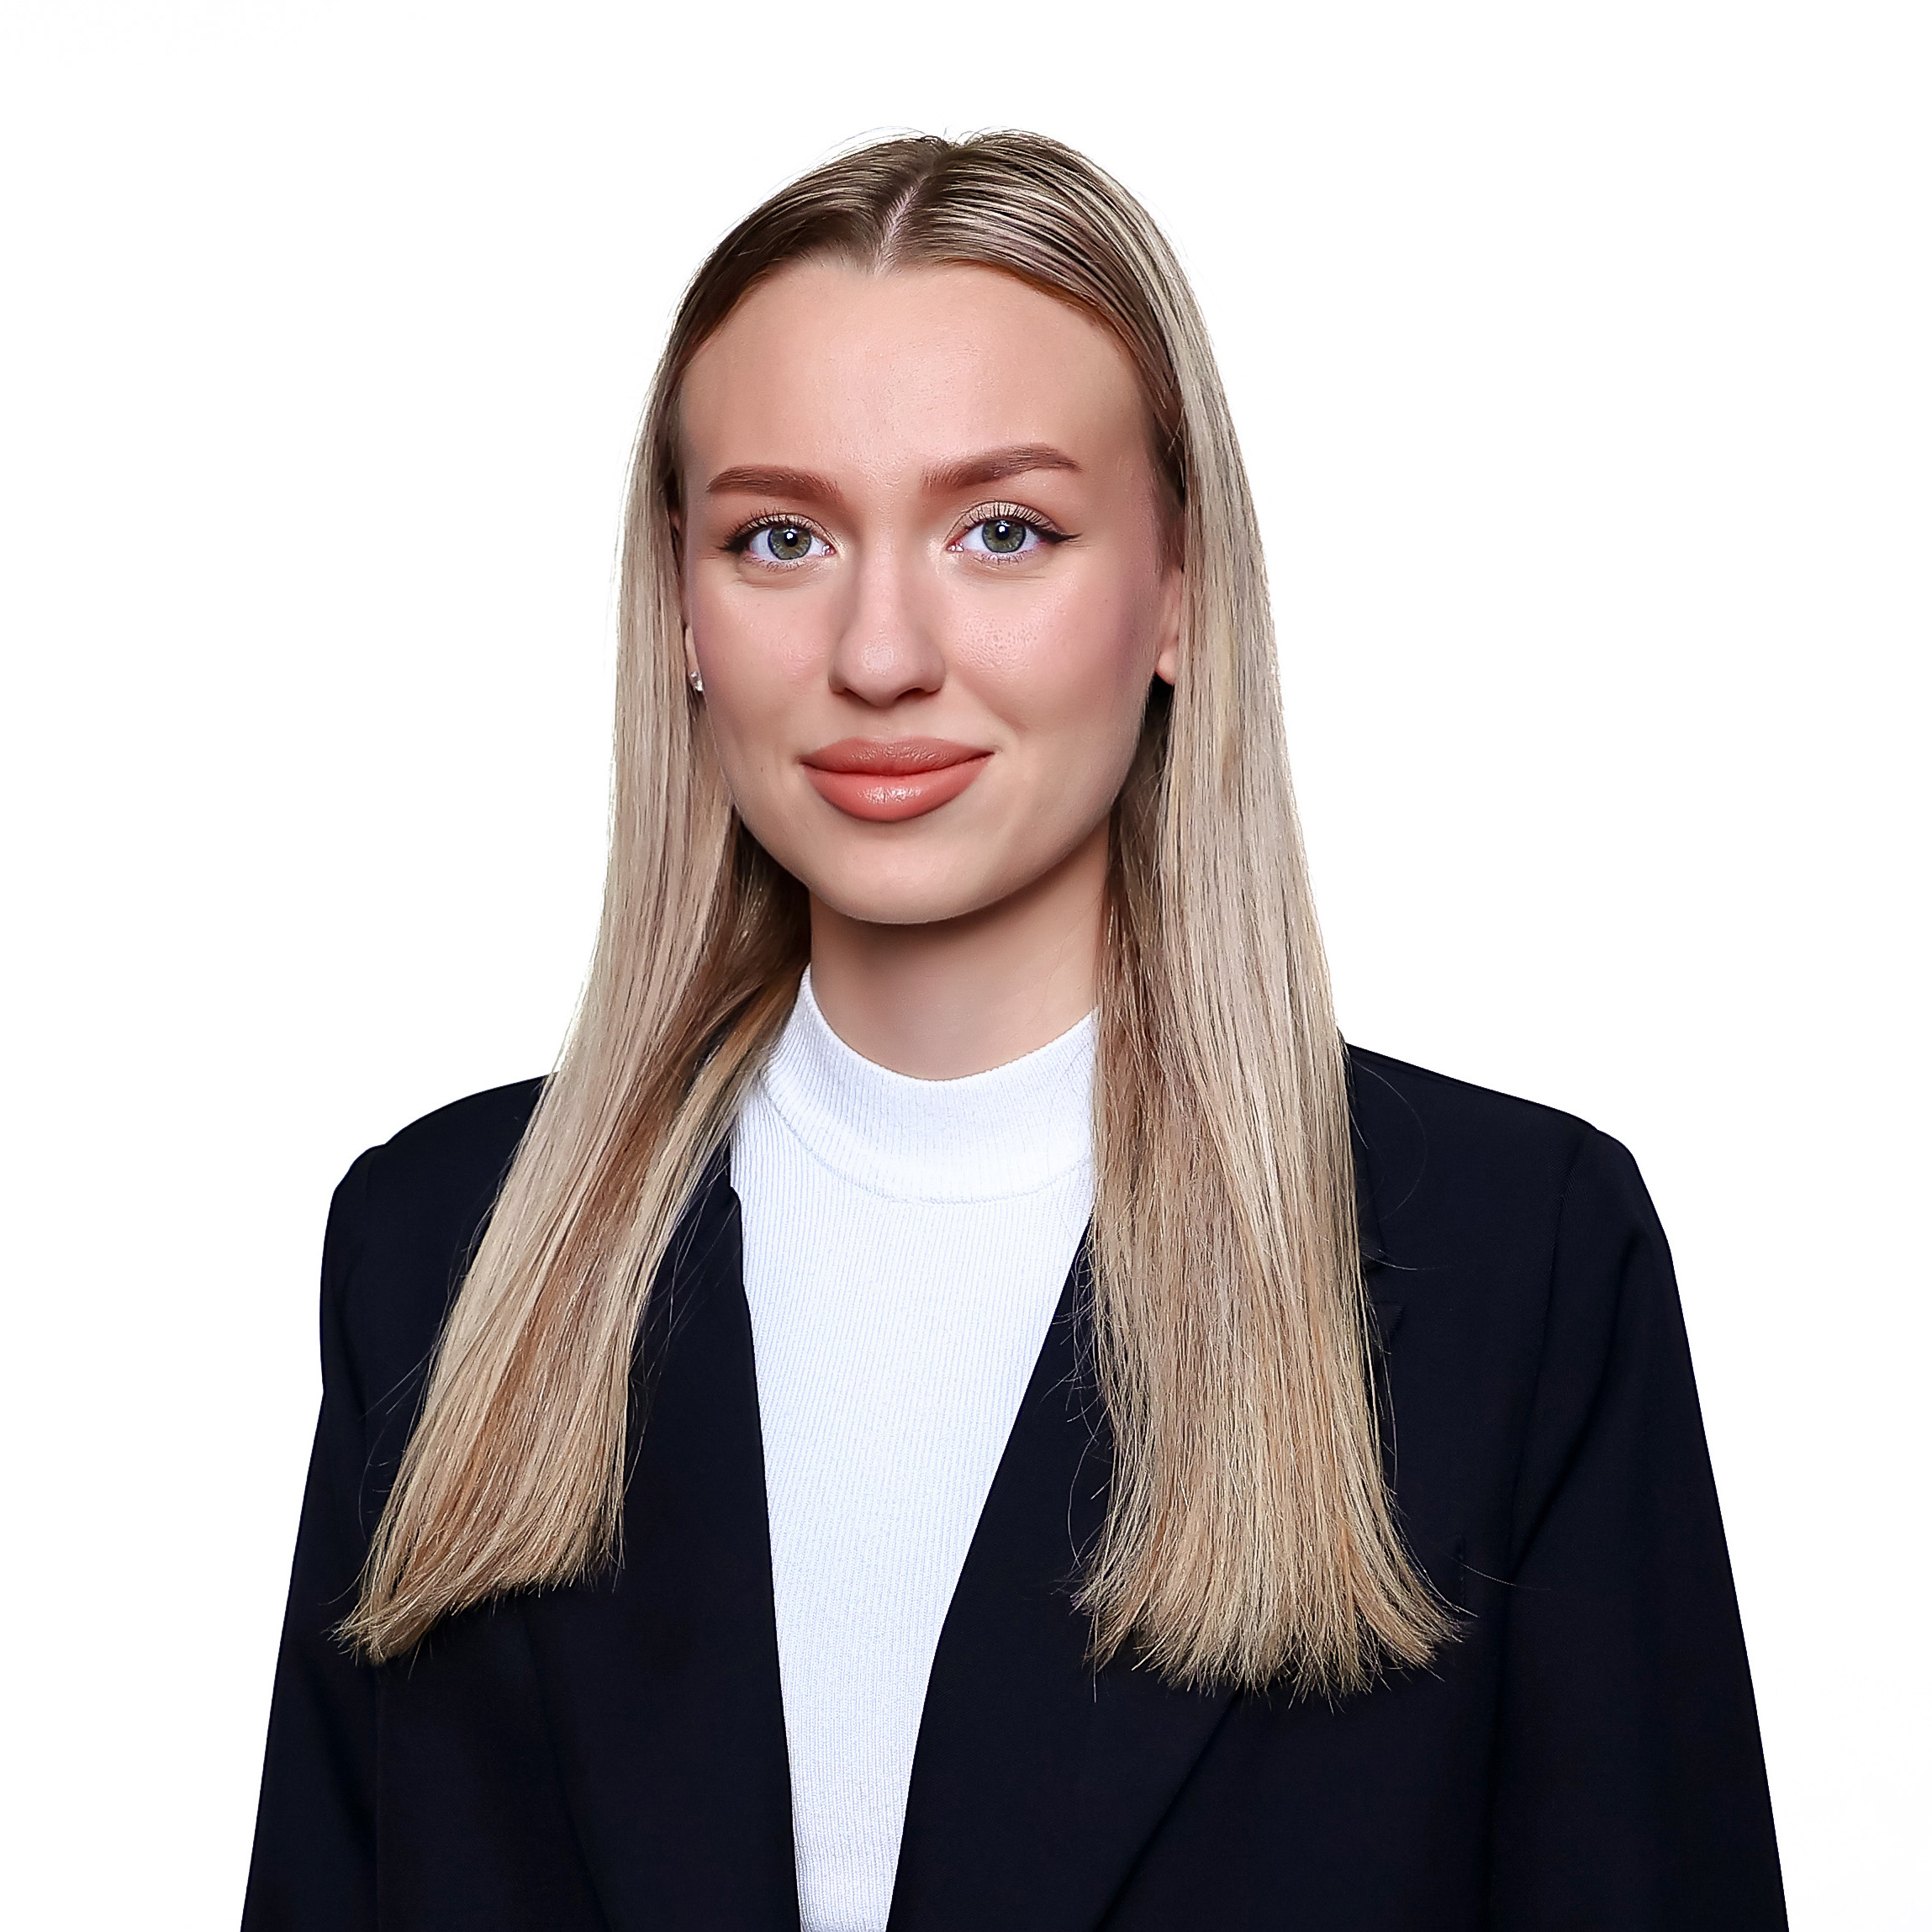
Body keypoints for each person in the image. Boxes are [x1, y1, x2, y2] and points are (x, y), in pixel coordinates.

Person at [241, 132, 1786, 1931]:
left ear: (1179, 587)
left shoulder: (1516, 1267)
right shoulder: (438, 1250)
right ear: (681, 604)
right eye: (780, 537)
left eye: (1004, 531)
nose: (880, 652)